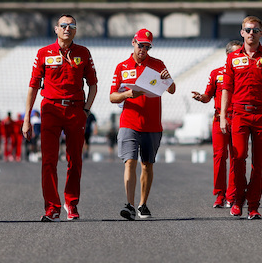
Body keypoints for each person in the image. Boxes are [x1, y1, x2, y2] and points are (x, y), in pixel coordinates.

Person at [22, 14, 98, 222]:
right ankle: (52, 207)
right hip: (51, 110)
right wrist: (27, 117)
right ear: (56, 29)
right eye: (63, 26)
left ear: (75, 30)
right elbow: (34, 86)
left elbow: (93, 84)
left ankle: (71, 203)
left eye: (71, 26)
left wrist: (86, 110)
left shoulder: (83, 53)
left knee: (75, 160)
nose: (67, 29)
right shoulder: (44, 53)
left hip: (75, 111)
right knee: (48, 160)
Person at [220, 16, 262, 220]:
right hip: (239, 113)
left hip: (261, 113)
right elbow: (226, 88)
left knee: (258, 162)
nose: (251, 33)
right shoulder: (232, 58)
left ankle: (254, 205)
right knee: (238, 159)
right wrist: (223, 116)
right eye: (247, 30)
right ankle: (238, 201)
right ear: (241, 32)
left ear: (261, 33)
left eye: (255, 30)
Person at [110, 29, 176, 221]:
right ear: (133, 42)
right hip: (129, 121)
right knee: (129, 162)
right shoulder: (122, 66)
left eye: (147, 46)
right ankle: (129, 204)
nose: (143, 49)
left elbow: (172, 90)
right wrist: (127, 95)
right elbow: (112, 96)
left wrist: (167, 79)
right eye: (141, 45)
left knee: (147, 164)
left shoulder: (157, 64)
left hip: (152, 123)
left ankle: (142, 204)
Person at [191, 40, 242, 209]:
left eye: (240, 52)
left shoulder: (246, 72)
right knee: (219, 157)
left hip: (239, 119)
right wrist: (201, 97)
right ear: (228, 55)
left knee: (237, 158)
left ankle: (232, 195)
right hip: (219, 119)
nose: (238, 56)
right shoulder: (216, 73)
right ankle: (220, 194)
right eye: (235, 53)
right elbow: (207, 96)